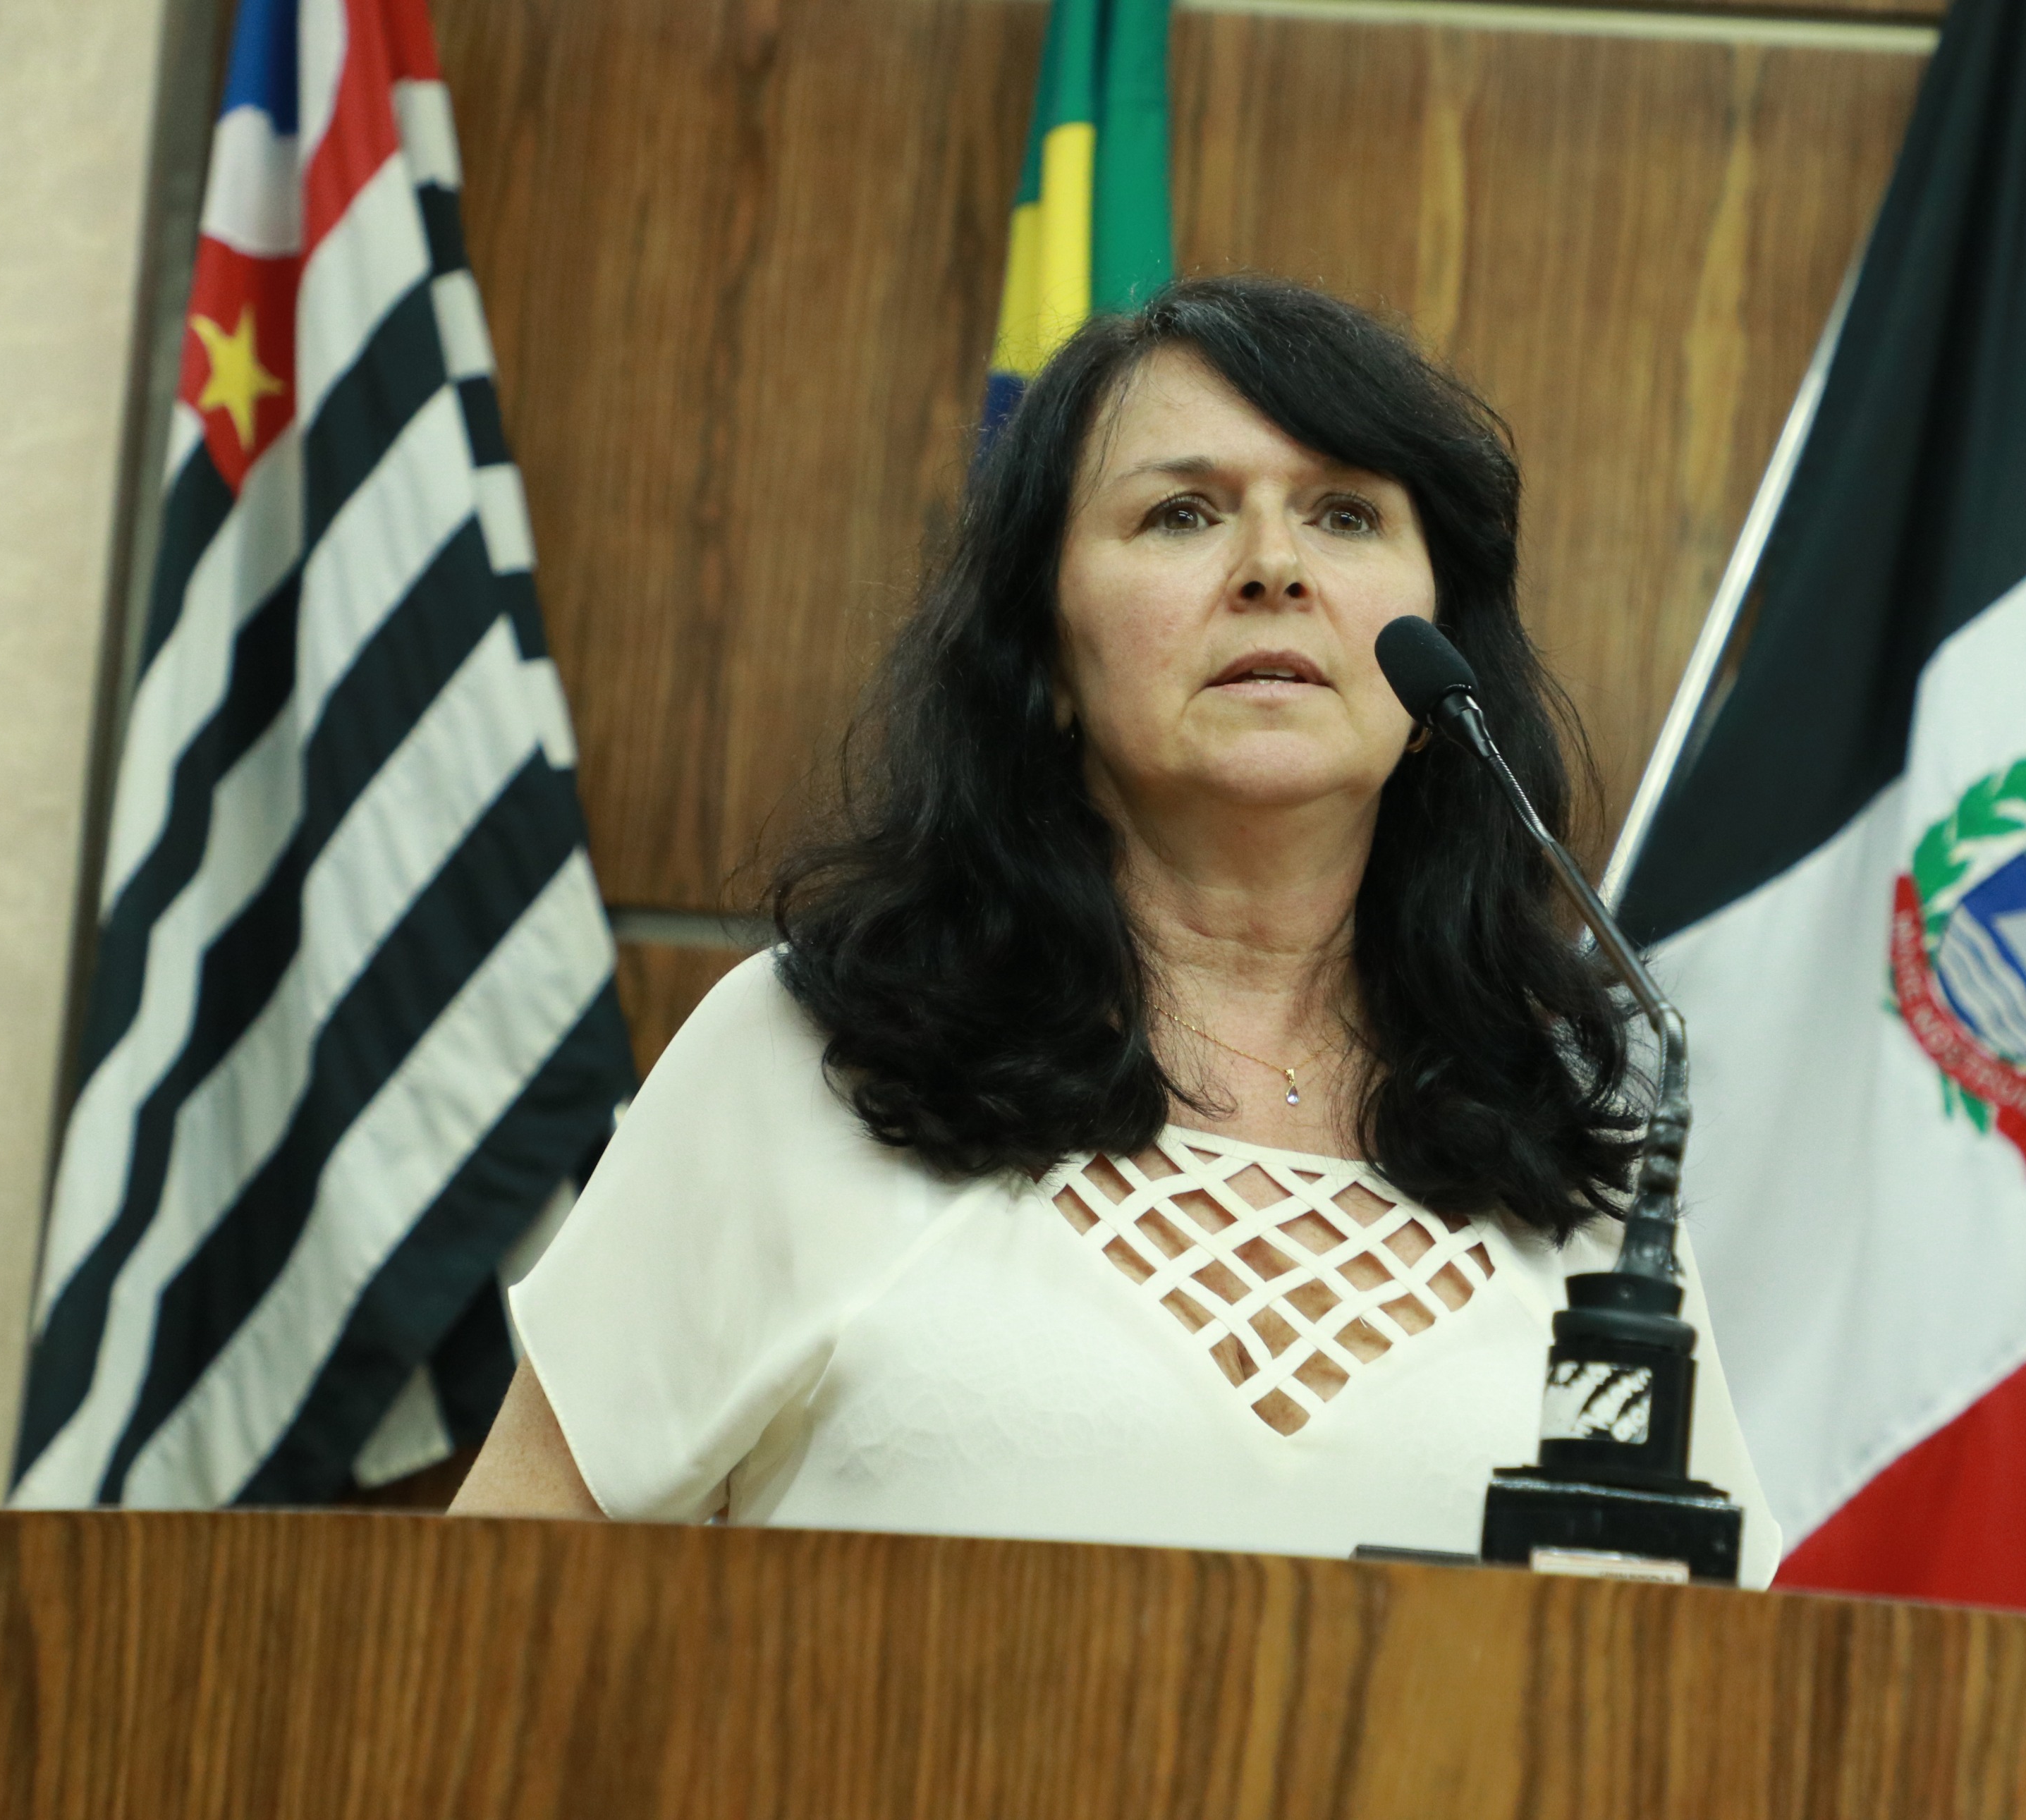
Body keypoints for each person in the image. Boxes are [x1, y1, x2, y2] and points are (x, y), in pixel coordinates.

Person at [452, 274, 1780, 1583]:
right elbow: (496, 1616)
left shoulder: (1566, 1140)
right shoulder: (808, 1060)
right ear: (1047, 658)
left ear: (1442, 658)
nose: (1274, 568)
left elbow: (1709, 1665)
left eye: (1344, 514)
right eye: (1182, 513)